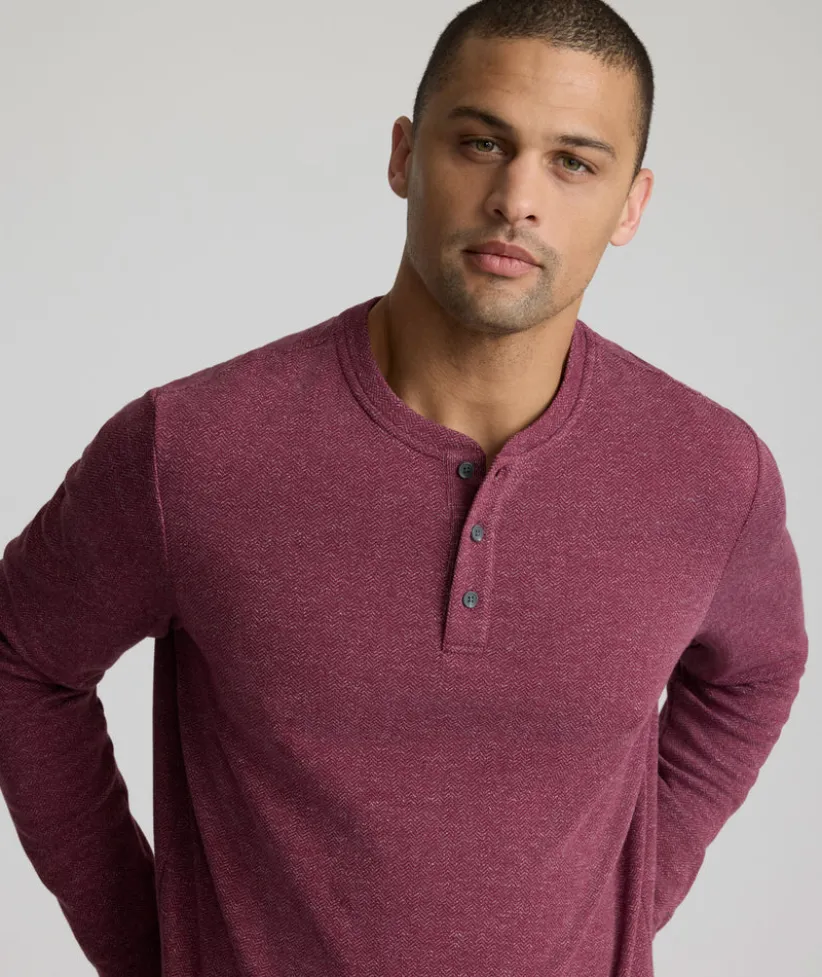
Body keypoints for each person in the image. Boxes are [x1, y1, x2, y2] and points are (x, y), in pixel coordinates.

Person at [0, 1, 808, 975]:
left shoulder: (713, 472)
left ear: (630, 205)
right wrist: (154, 947)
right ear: (404, 154)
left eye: (573, 162)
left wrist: (628, 902)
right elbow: (21, 656)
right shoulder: (192, 448)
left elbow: (757, 670)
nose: (517, 197)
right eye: (482, 142)